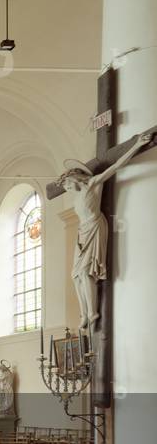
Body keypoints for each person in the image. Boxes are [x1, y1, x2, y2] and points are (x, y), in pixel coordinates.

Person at [59, 132, 152, 328]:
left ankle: (93, 312)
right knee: (75, 275)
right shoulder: (76, 198)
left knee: (85, 273)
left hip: (94, 227)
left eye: (67, 184)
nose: (66, 188)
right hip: (81, 233)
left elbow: (117, 166)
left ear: (75, 179)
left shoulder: (93, 184)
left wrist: (136, 145)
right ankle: (83, 313)